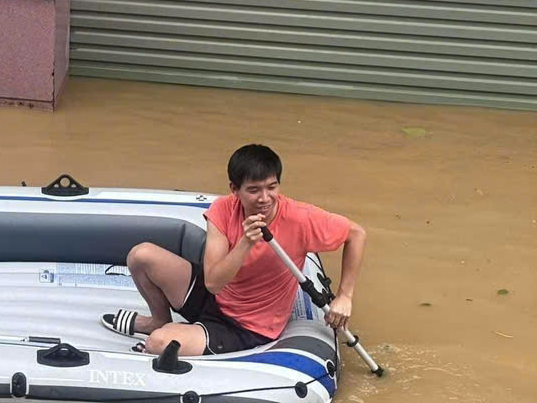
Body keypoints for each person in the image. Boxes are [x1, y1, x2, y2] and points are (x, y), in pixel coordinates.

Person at [101, 144, 367, 356]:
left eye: (272, 187)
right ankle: (158, 319)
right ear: (234, 190)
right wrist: (246, 243)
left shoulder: (302, 219)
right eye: (253, 190)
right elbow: (214, 283)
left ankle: (172, 333)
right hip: (216, 296)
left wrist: (345, 296)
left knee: (159, 343)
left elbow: (356, 234)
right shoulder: (223, 209)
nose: (265, 198)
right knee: (141, 255)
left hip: (248, 325)